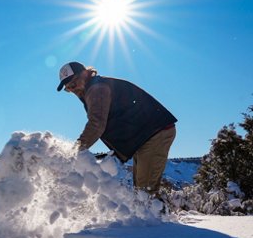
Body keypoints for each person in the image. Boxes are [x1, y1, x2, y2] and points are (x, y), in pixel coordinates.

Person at [57, 61, 177, 195]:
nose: (72, 90)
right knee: (141, 190)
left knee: (145, 193)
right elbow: (117, 121)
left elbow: (96, 125)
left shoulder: (97, 89)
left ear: (85, 74)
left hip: (154, 133)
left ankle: (157, 215)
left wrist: (76, 151)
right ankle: (154, 214)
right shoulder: (95, 88)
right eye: (68, 89)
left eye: (73, 84)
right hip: (144, 136)